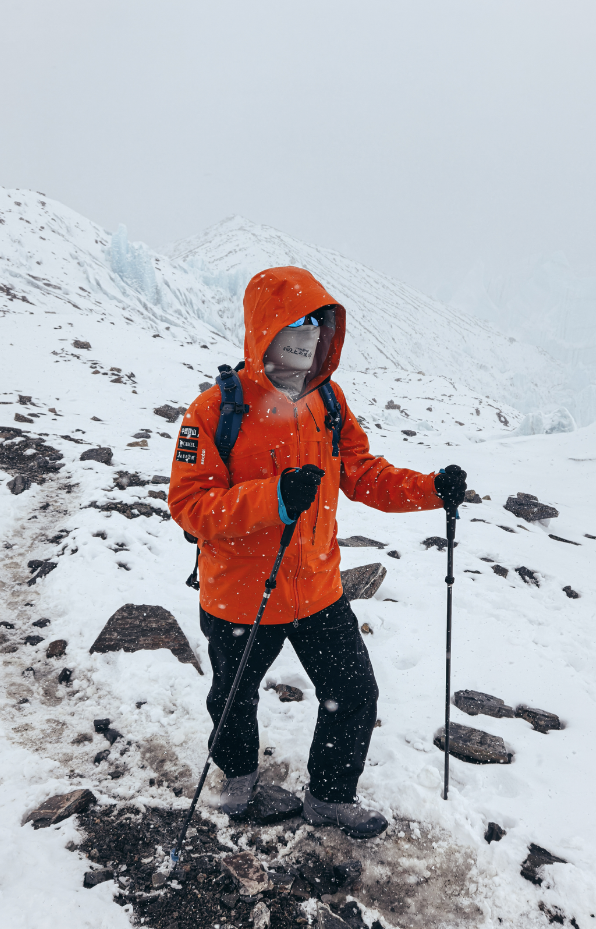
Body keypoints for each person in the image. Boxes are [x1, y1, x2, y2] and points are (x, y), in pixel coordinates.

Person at [168, 267, 467, 838]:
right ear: (264, 332)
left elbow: (363, 473)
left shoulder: (329, 401)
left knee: (353, 695)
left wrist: (430, 489)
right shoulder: (215, 411)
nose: (307, 335)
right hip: (241, 594)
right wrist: (273, 498)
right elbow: (189, 504)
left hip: (317, 589)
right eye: (292, 324)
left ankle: (330, 797)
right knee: (233, 700)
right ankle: (238, 783)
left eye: (316, 322)